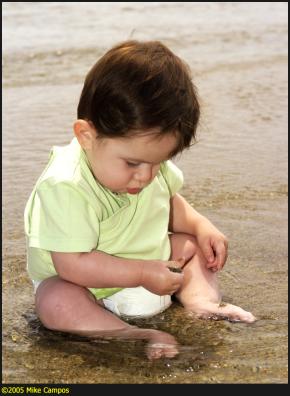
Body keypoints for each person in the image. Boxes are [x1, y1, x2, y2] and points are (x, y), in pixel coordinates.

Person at [24, 40, 256, 360]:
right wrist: (142, 274)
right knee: (55, 300)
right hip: (86, 286)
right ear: (86, 136)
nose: (146, 176)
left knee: (191, 245)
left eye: (157, 162)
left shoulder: (142, 161)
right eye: (133, 164)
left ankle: (202, 303)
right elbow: (72, 263)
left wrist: (202, 227)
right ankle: (133, 333)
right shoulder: (66, 185)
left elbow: (169, 201)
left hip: (151, 266)